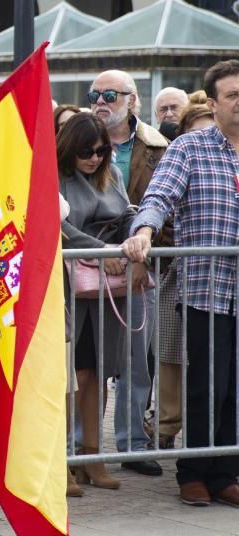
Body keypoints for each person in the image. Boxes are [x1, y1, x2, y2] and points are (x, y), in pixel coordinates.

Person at [123, 59, 239, 509]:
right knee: (207, 385)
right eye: (232, 96)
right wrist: (144, 231)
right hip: (205, 288)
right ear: (212, 103)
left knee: (236, 388)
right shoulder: (189, 148)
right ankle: (192, 473)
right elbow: (159, 197)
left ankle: (226, 472)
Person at [88, 70, 168, 473]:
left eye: (110, 95)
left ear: (132, 100)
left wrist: (142, 256)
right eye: (94, 95)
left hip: (140, 268)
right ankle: (78, 449)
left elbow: (166, 210)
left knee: (137, 361)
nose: (100, 101)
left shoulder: (159, 147)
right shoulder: (75, 142)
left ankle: (133, 442)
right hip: (84, 268)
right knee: (87, 364)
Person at [59, 112, 143, 492]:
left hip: (107, 284)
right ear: (68, 149)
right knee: (70, 375)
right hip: (67, 282)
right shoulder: (53, 179)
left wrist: (136, 237)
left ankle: (92, 456)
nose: (94, 158)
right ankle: (59, 461)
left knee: (98, 372)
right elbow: (57, 226)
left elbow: (127, 212)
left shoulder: (113, 175)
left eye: (101, 151)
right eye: (86, 152)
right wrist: (100, 248)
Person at [151, 102, 215, 453]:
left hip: (221, 276)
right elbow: (157, 201)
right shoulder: (181, 156)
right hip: (181, 271)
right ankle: (166, 425)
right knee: (172, 354)